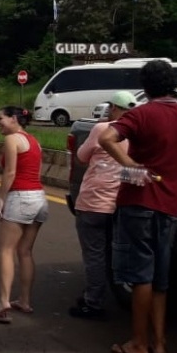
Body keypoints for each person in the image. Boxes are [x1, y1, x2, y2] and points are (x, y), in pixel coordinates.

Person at [99, 60, 177, 353]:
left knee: (141, 275)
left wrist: (131, 166)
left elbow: (106, 137)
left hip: (138, 202)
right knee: (161, 277)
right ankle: (160, 341)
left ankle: (138, 343)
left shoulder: (142, 114)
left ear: (146, 86)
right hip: (170, 207)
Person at [69, 92, 134, 321]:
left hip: (93, 202)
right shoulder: (137, 133)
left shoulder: (102, 129)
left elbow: (81, 156)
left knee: (94, 255)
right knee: (112, 252)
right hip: (120, 203)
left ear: (115, 108)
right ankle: (104, 293)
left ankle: (93, 302)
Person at [0, 106, 47, 324]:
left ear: (14, 119)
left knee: (5, 250)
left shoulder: (12, 140)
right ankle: (24, 300)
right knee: (25, 251)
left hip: (20, 197)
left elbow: (10, 172)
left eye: (0, 118)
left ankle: (3, 301)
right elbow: (37, 171)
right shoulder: (34, 141)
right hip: (39, 198)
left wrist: (1, 197)